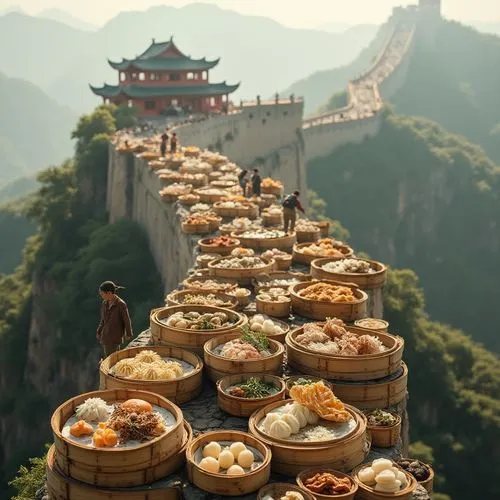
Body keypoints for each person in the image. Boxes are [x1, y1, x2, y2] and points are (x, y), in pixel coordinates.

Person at [96, 281, 133, 358]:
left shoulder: (121, 304)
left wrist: (128, 333)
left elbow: (126, 320)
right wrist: (99, 331)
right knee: (110, 357)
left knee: (112, 358)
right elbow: (103, 320)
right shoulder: (105, 303)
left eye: (102, 294)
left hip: (115, 336)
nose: (102, 296)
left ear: (109, 293)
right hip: (106, 336)